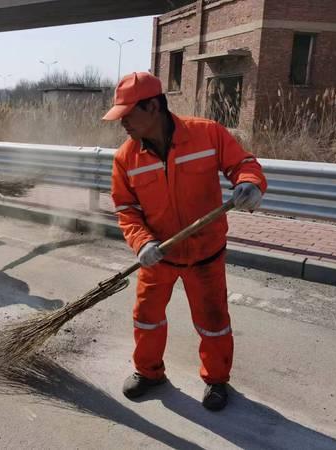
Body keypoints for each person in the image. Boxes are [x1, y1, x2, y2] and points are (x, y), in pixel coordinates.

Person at [105, 72, 267, 411]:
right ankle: (149, 372)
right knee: (146, 316)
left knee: (213, 320)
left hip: (205, 252)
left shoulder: (206, 134)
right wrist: (141, 243)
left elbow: (243, 164)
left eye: (127, 115)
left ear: (152, 106)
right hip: (158, 254)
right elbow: (126, 208)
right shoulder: (125, 158)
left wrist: (250, 183)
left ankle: (217, 380)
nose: (123, 124)